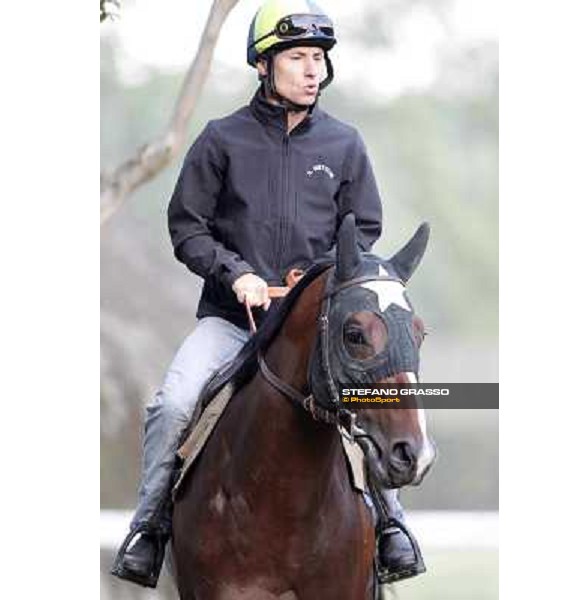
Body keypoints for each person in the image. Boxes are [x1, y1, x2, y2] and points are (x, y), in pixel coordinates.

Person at [111, 0, 425, 588]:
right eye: (298, 57)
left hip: (316, 328)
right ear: (263, 64)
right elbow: (187, 226)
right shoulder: (220, 140)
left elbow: (363, 234)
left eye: (319, 58)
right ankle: (149, 527)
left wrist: (318, 279)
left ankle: (390, 526)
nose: (312, 70)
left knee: (377, 394)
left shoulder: (345, 146)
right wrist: (236, 274)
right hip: (232, 320)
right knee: (174, 402)